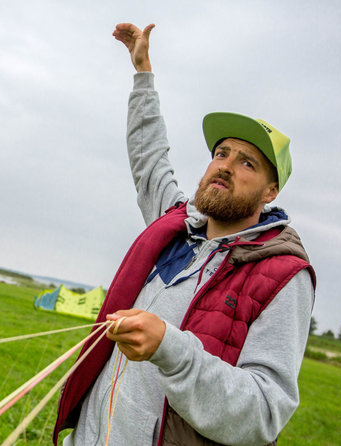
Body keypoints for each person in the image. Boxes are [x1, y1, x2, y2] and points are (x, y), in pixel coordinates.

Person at [53, 23, 316, 446]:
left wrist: (171, 349)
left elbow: (265, 413)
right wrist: (143, 75)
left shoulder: (283, 275)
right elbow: (150, 159)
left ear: (271, 192)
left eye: (248, 163)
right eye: (221, 153)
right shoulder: (175, 227)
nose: (225, 165)